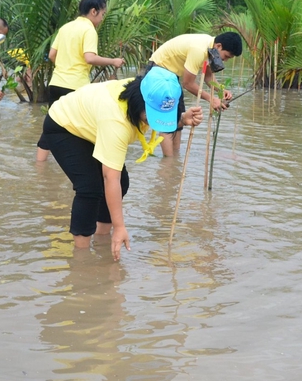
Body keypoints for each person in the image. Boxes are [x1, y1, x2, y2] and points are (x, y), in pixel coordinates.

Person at [36, 66, 203, 260]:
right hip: (65, 126)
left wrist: (182, 119)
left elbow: (116, 181)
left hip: (93, 126)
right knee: (90, 188)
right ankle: (81, 257)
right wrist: (120, 226)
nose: (154, 123)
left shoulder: (150, 89)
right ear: (139, 103)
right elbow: (109, 177)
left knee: (122, 183)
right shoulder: (116, 118)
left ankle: (102, 239)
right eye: (151, 117)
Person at [36, 0, 124, 161]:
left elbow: (52, 55)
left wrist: (64, 67)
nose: (101, 19)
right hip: (75, 87)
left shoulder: (66, 28)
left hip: (56, 83)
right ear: (93, 11)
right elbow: (89, 58)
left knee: (51, 125)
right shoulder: (89, 30)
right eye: (102, 14)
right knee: (81, 129)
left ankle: (40, 167)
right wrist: (113, 61)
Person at [148, 31, 243, 156]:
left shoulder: (211, 49)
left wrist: (221, 90)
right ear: (219, 46)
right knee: (168, 120)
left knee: (178, 117)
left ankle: (175, 158)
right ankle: (168, 163)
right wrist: (211, 99)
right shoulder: (199, 49)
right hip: (159, 71)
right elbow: (187, 84)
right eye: (227, 56)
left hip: (172, 75)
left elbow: (208, 76)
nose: (225, 60)